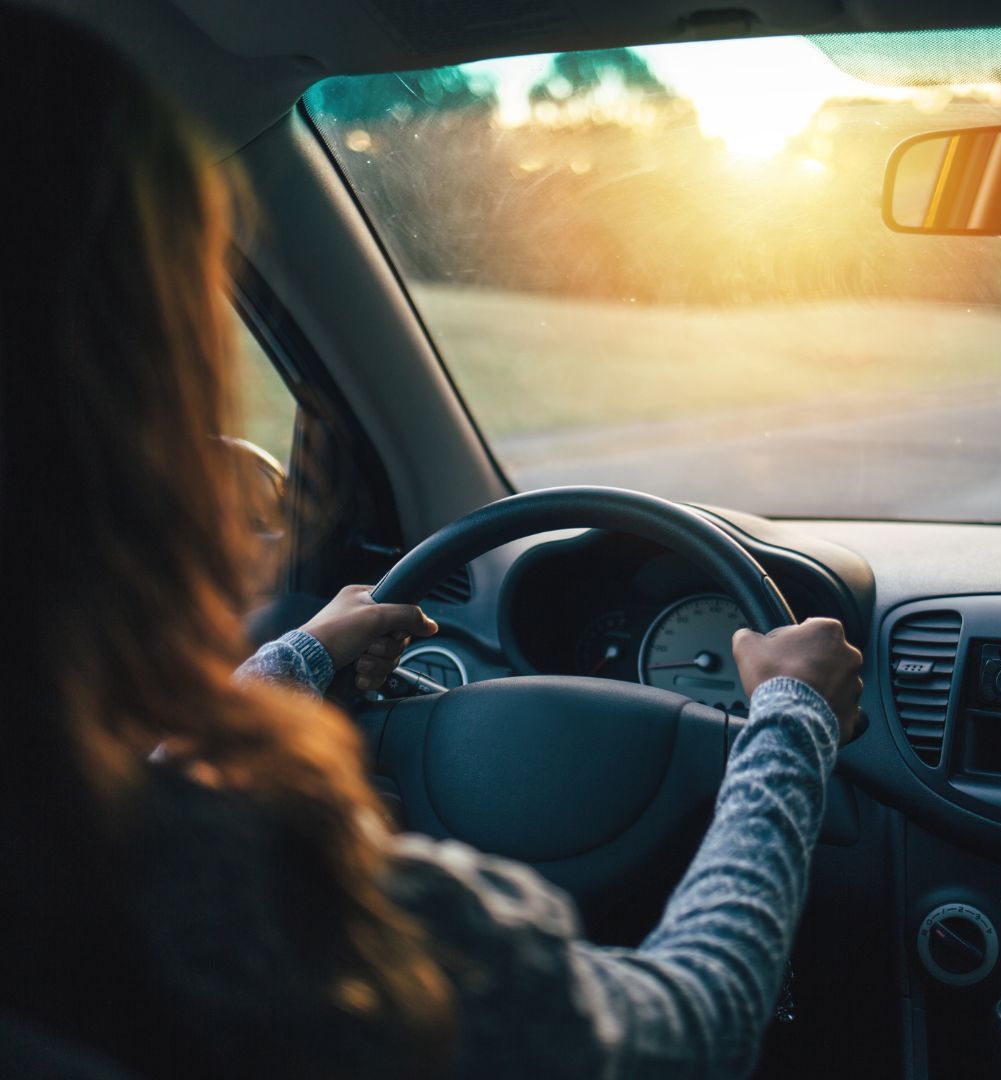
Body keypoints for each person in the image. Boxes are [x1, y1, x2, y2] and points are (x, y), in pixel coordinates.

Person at [0, 8, 863, 1079]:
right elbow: (694, 1025)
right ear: (133, 453)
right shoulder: (282, 924)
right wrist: (789, 722)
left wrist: (304, 653)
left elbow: (123, 777)